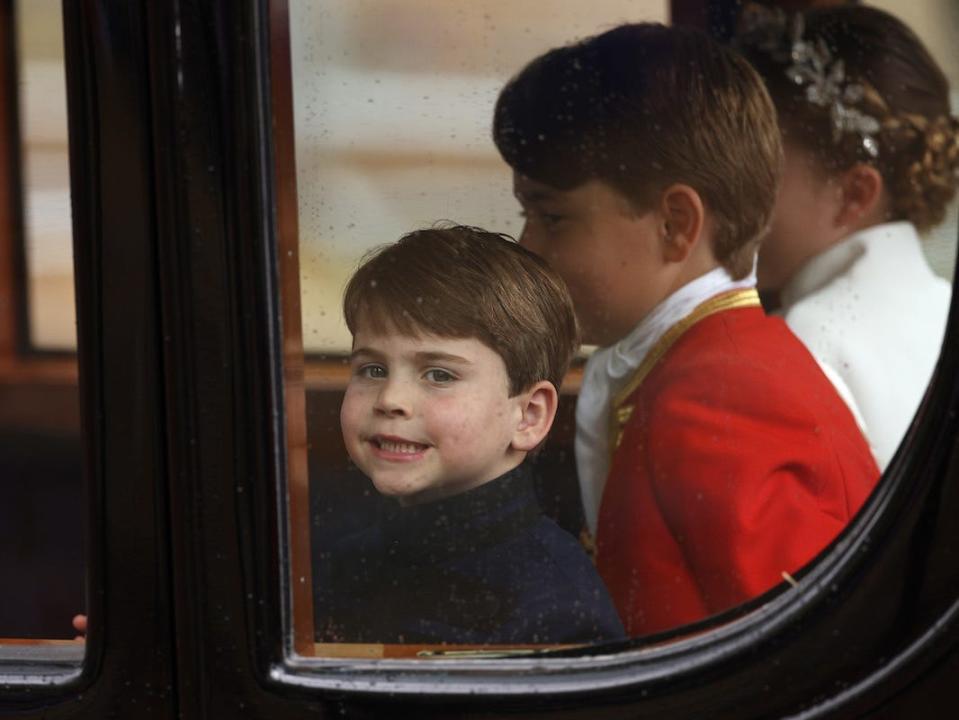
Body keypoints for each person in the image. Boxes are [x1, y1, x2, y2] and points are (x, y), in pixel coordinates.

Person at [493, 23, 880, 636]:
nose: (527, 246)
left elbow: (797, 656)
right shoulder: (696, 369)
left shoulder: (720, 401)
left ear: (675, 224)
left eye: (551, 217)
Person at [315, 225, 625, 645]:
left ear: (528, 416)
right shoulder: (343, 560)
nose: (391, 398)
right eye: (373, 369)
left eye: (439, 374)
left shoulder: (556, 609)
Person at [736, 4, 959, 470]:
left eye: (759, 167)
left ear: (853, 195)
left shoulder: (798, 348)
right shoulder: (943, 306)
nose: (733, 194)